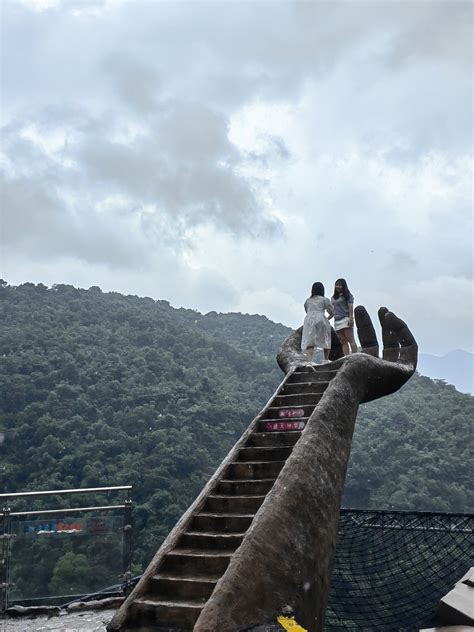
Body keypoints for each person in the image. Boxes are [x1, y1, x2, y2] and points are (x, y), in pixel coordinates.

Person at [301, 282, 334, 364]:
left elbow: (306, 310)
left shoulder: (308, 300)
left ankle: (309, 362)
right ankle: (326, 359)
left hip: (308, 320)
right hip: (320, 318)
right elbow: (332, 311)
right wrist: (327, 319)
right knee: (326, 338)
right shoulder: (324, 299)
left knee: (310, 341)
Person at [331, 278, 357, 355]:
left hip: (345, 319)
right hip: (337, 321)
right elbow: (332, 310)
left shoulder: (347, 295)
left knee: (351, 340)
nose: (338, 286)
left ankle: (355, 356)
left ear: (344, 286)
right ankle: (346, 358)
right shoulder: (333, 298)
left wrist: (351, 318)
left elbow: (350, 307)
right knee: (343, 341)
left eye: (340, 285)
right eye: (336, 285)